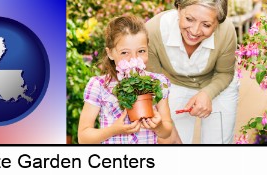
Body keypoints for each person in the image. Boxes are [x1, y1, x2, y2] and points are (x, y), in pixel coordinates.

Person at [146, 0, 239, 144]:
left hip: (218, 83)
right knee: (174, 140)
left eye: (206, 25)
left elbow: (224, 73)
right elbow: (154, 81)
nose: (195, 31)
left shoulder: (226, 31)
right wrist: (166, 122)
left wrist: (207, 93)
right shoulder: (153, 31)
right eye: (189, 19)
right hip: (171, 85)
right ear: (179, 9)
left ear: (217, 23)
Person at [78, 15, 179, 144]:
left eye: (141, 51)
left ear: (148, 49)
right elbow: (83, 138)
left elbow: (167, 130)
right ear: (110, 53)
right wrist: (114, 130)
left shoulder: (157, 82)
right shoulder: (99, 85)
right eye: (125, 52)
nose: (134, 59)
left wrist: (158, 126)